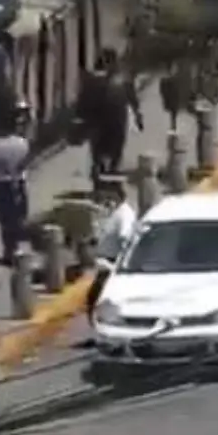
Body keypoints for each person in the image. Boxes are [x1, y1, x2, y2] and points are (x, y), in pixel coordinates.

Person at [73, 48, 139, 180]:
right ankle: (111, 168)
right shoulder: (122, 79)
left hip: (98, 121)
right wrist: (137, 114)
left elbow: (83, 100)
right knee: (115, 146)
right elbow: (132, 98)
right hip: (117, 120)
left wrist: (80, 117)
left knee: (98, 147)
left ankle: (100, 167)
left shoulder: (91, 80)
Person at [86, 177, 135, 321]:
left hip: (111, 263)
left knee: (97, 298)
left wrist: (117, 265)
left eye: (109, 195)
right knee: (96, 299)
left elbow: (125, 238)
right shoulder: (116, 211)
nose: (106, 198)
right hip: (105, 262)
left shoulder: (124, 214)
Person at [0, 115, 29, 268]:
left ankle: (9, 251)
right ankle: (17, 247)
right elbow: (25, 163)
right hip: (19, 182)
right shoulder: (21, 143)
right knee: (19, 216)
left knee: (5, 220)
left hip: (0, 184)